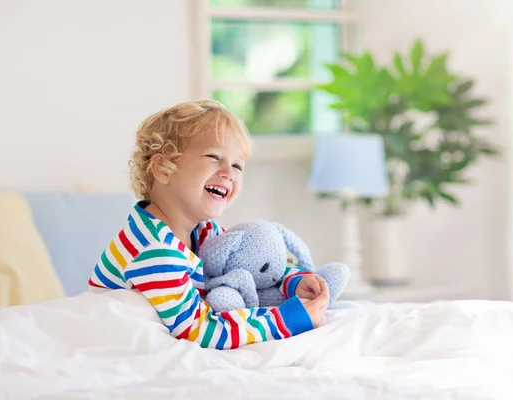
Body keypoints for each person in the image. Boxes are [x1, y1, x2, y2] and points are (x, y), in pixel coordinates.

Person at [87, 100, 330, 349]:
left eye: (237, 165)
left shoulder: (204, 233)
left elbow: (253, 269)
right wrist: (290, 320)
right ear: (163, 169)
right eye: (214, 157)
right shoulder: (154, 248)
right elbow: (200, 330)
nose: (229, 172)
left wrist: (292, 282)